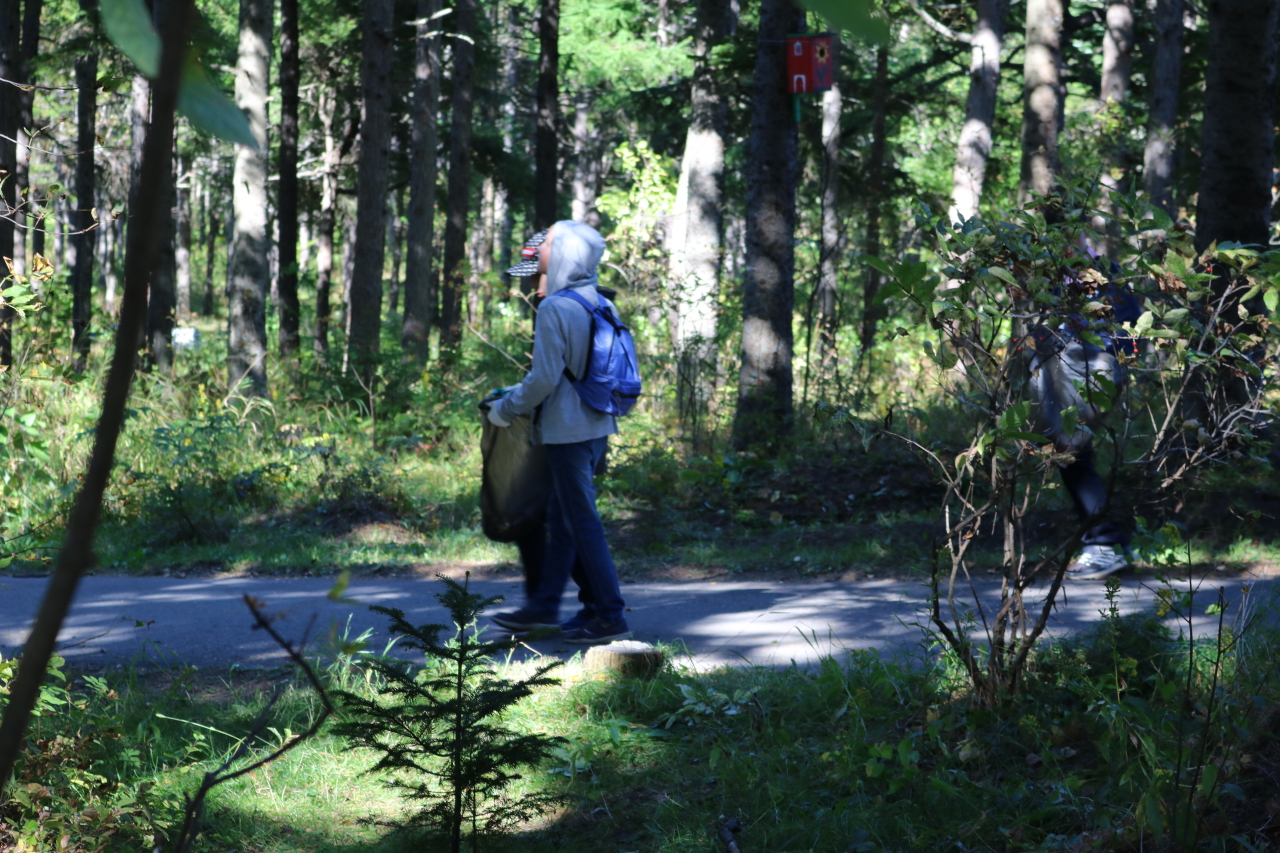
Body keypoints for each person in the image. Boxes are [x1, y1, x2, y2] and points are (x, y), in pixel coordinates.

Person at [486, 221, 632, 645]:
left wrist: (505, 409)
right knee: (566, 521)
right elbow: (573, 372)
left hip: (567, 432)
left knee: (581, 524)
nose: (540, 250)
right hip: (597, 425)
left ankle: (609, 615)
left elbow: (545, 377)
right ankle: (589, 608)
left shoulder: (555, 307)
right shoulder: (599, 302)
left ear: (567, 251)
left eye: (548, 243)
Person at [1028, 241, 1141, 579]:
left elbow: (1130, 324)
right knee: (1071, 454)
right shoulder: (1053, 274)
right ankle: (1107, 543)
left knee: (1072, 452)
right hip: (1068, 372)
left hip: (1090, 370)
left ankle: (1106, 542)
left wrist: (1120, 363)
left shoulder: (1101, 270)